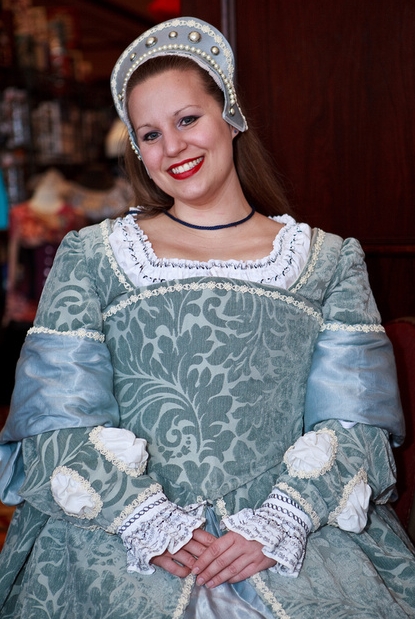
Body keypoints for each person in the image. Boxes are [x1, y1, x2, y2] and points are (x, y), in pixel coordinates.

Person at [0, 16, 414, 619]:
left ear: (231, 116)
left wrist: (281, 521)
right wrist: (145, 519)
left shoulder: (326, 261)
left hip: (286, 538)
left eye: (187, 119)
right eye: (150, 134)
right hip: (124, 539)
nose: (172, 147)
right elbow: (54, 417)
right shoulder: (93, 256)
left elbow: (357, 422)